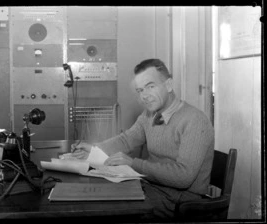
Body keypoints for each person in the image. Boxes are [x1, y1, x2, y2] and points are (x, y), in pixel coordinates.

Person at [71, 59, 215, 220]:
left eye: (150, 86)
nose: (144, 96)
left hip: (184, 201)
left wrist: (134, 164)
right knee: (99, 198)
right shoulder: (149, 115)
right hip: (154, 187)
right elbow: (126, 140)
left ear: (169, 85)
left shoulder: (195, 120)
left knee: (108, 211)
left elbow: (184, 177)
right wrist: (94, 148)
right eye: (140, 90)